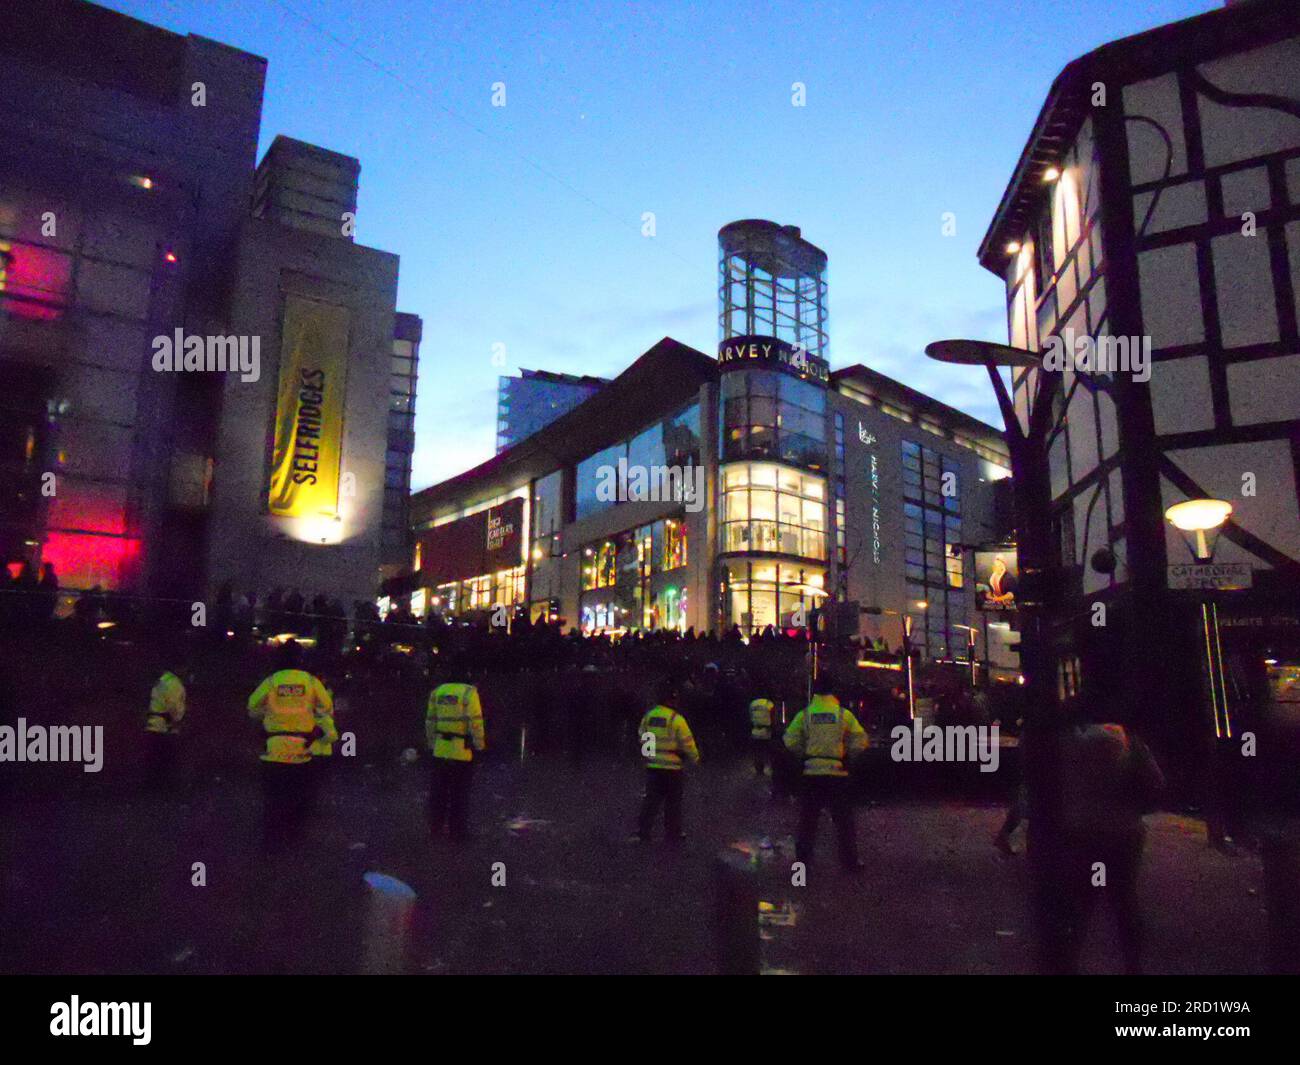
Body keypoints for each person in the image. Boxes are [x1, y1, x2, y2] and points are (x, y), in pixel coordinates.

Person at [1054, 715, 1164, 975]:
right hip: (1125, 831)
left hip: (1086, 831)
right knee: (1124, 900)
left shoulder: (1071, 740)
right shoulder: (1126, 740)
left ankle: (1069, 961)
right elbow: (1156, 782)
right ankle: (1132, 966)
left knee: (1083, 899)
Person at [247, 641, 337, 852]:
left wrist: (270, 715)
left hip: (274, 750)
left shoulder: (271, 681)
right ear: (301, 659)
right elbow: (327, 707)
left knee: (273, 801)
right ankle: (294, 841)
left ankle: (270, 844)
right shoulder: (310, 681)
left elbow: (252, 707)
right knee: (298, 799)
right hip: (301, 751)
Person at [784, 671, 868, 872]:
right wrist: (847, 754)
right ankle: (850, 863)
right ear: (834, 690)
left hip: (812, 774)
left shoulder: (805, 715)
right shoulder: (842, 715)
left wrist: (804, 754)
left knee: (808, 822)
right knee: (844, 822)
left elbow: (789, 740)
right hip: (837, 774)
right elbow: (861, 740)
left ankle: (802, 865)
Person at [635, 679, 700, 842]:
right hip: (673, 768)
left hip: (653, 767)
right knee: (673, 803)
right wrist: (695, 758)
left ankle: (643, 831)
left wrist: (649, 755)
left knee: (651, 801)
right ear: (671, 700)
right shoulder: (676, 719)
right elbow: (687, 742)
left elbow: (643, 737)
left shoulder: (649, 717)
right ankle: (672, 834)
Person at [425, 672, 486, 841]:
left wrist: (432, 745)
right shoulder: (469, 692)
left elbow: (430, 721)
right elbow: (476, 722)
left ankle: (436, 828)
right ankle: (456, 831)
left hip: (440, 750)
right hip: (461, 752)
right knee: (459, 794)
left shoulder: (437, 692)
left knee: (439, 792)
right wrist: (480, 746)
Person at [143, 658, 187, 791]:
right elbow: (175, 708)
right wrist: (179, 720)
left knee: (154, 763)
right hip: (165, 728)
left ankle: (153, 789)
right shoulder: (174, 684)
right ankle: (166, 790)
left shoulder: (161, 681)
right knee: (166, 762)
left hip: (153, 725)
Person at [748, 696, 775, 776]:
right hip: (766, 731)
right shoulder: (769, 704)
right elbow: (772, 717)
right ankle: (768, 768)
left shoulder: (752, 704)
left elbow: (750, 716)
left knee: (757, 751)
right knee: (767, 750)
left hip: (755, 731)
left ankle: (758, 769)